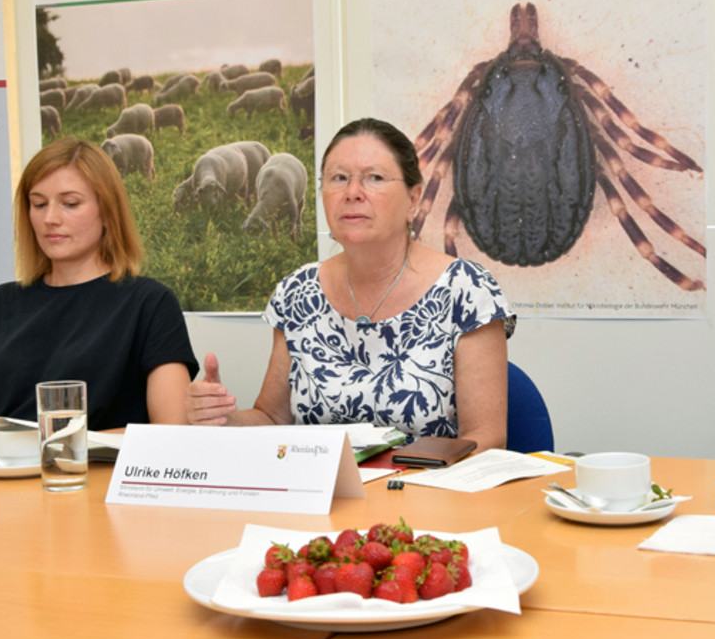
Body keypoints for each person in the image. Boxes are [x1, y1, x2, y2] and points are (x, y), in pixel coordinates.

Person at [186, 118, 513, 452]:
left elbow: (486, 438)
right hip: (326, 499)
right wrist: (220, 419)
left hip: (428, 494)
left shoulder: (466, 290)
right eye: (339, 178)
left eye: (374, 178)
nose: (352, 193)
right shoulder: (298, 293)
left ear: (413, 200)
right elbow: (272, 419)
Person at [0, 137, 199, 430]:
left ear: (107, 211)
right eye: (39, 204)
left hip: (88, 476)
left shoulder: (150, 304)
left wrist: (52, 447)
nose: (50, 218)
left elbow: (170, 430)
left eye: (70, 203)